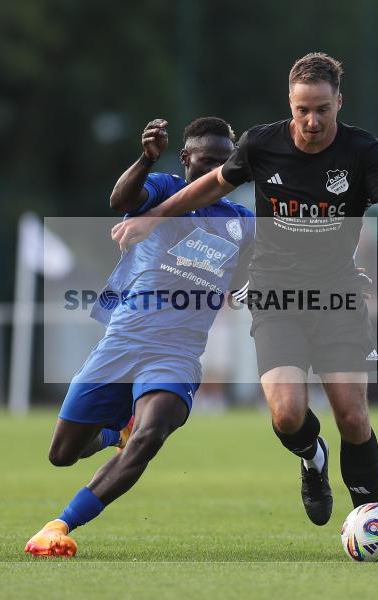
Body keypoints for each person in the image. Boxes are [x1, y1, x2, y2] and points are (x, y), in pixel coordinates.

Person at [112, 53, 378, 526]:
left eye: (322, 108)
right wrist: (152, 217)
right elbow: (209, 188)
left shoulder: (363, 152)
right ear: (290, 102)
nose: (312, 119)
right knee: (286, 414)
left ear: (338, 102)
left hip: (337, 296)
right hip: (275, 296)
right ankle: (312, 458)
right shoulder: (262, 144)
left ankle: (369, 520)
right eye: (303, 109)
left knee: (353, 414)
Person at [25, 117, 254, 556]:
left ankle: (59, 525)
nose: (216, 172)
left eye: (225, 165)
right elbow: (121, 199)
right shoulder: (164, 189)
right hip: (122, 343)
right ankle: (115, 432)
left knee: (150, 437)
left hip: (177, 355)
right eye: (207, 161)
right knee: (62, 453)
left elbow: (258, 266)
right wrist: (146, 159)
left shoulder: (241, 221)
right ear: (185, 158)